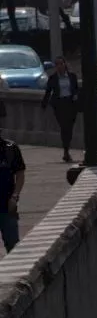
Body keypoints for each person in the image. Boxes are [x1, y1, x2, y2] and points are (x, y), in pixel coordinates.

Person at [42, 56, 80, 163]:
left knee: (70, 128)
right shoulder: (53, 78)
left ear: (65, 64)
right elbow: (48, 92)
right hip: (59, 105)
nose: (59, 66)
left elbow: (76, 89)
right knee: (64, 127)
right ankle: (66, 151)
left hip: (71, 104)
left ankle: (67, 148)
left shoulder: (72, 76)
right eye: (57, 64)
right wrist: (44, 105)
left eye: (61, 64)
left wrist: (76, 96)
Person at [0, 101, 26, 252]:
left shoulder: (10, 149)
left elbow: (20, 174)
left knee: (13, 247)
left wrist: (15, 196)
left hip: (7, 206)